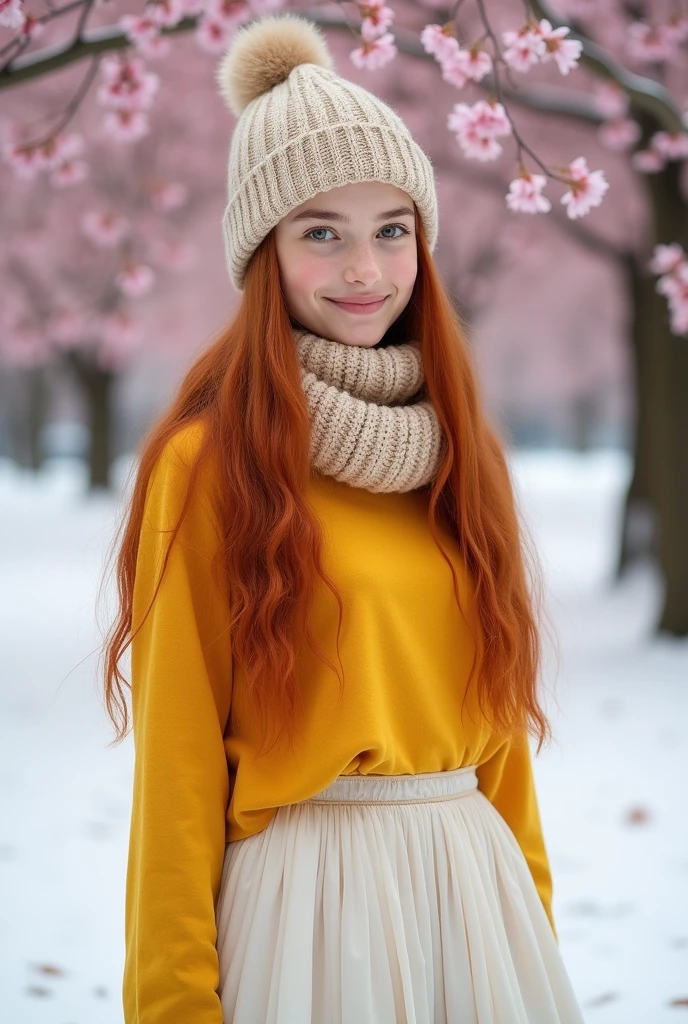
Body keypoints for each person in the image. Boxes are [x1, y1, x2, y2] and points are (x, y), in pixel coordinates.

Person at [103, 11, 585, 1023]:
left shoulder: (456, 453)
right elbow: (177, 778)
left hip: (472, 897)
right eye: (320, 232)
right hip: (313, 910)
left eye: (390, 230)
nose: (364, 270)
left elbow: (498, 742)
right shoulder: (210, 467)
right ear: (262, 254)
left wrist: (528, 920)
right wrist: (173, 1004)